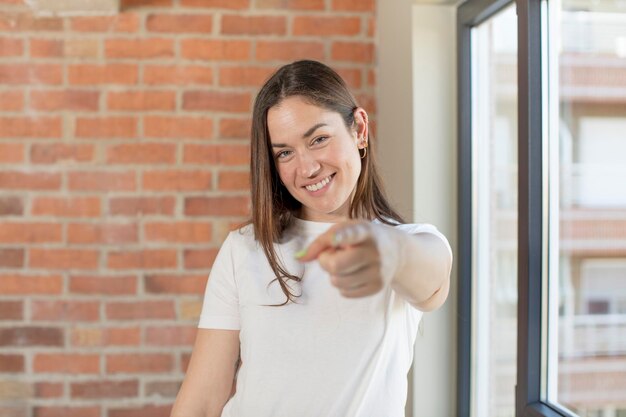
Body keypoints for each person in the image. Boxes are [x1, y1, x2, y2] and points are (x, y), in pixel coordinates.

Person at [170, 60, 453, 417]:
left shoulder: (413, 242)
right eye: (285, 153)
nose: (306, 168)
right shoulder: (245, 248)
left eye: (318, 139)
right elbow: (202, 401)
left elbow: (432, 278)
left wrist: (385, 250)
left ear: (359, 130)